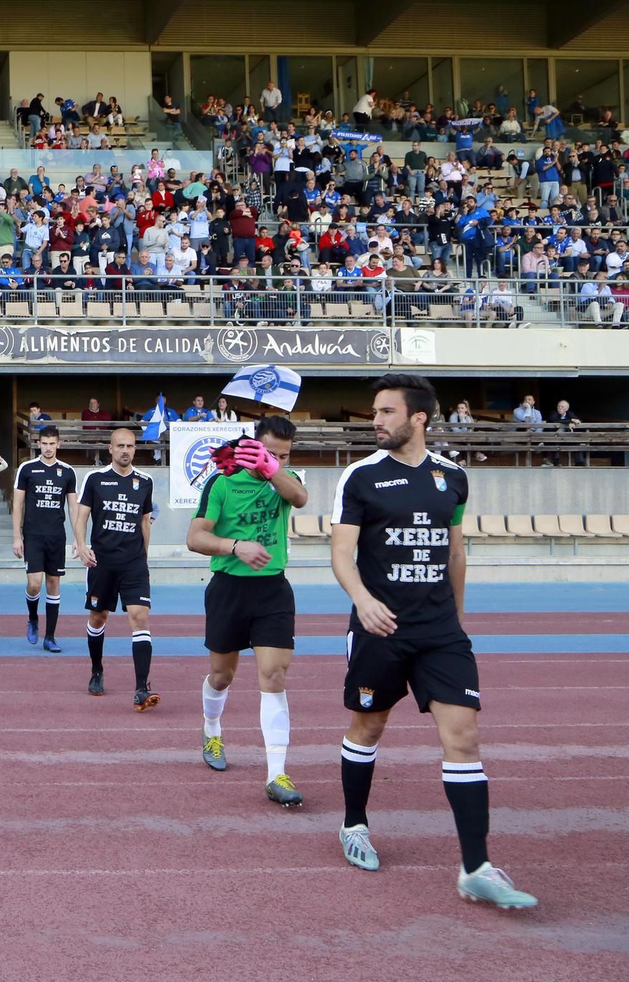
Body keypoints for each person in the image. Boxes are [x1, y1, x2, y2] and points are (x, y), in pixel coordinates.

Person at [328, 374, 536, 908]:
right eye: (375, 411)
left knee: (464, 737)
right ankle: (354, 823)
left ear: (418, 417)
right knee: (368, 725)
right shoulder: (359, 477)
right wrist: (362, 600)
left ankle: (476, 867)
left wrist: (458, 622)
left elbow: (456, 552)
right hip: (381, 629)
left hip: (441, 631)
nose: (376, 421)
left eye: (387, 412)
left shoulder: (454, 477)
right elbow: (341, 554)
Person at [185, 417, 308, 806]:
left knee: (274, 675)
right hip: (229, 589)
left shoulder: (284, 483)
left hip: (272, 590)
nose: (277, 461)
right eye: (271, 453)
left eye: (285, 456)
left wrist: (274, 471)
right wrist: (235, 545)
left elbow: (301, 498)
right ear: (254, 446)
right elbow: (195, 537)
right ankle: (212, 728)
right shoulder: (222, 481)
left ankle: (276, 773)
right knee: (222, 676)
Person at [73, 429, 156, 706]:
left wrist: (144, 557)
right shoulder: (95, 479)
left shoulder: (145, 481)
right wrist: (81, 545)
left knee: (140, 616)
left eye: (130, 446)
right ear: (110, 448)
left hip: (133, 563)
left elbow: (145, 521)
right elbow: (81, 516)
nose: (125, 450)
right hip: (102, 562)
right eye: (120, 445)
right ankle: (97, 669)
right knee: (99, 618)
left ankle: (141, 688)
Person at [14, 426, 78, 651]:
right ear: (38, 444)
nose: (49, 447)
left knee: (53, 583)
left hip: (56, 537)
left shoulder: (67, 471)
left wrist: (78, 538)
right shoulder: (27, 469)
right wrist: (16, 537)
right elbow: (18, 504)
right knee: (34, 585)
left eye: (53, 443)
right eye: (45, 443)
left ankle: (50, 637)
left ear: (59, 444)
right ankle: (32, 617)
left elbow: (72, 507)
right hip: (33, 536)